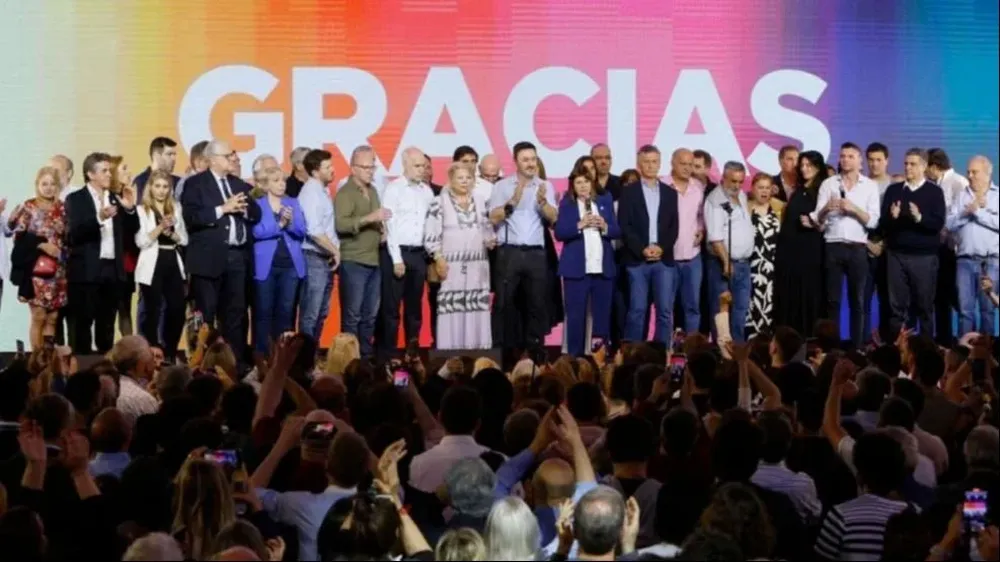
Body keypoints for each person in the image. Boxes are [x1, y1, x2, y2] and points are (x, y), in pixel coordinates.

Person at [181, 140, 261, 362]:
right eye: (228, 155)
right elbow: (191, 218)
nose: (233, 158)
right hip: (208, 260)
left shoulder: (239, 184)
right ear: (212, 159)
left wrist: (244, 210)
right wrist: (223, 209)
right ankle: (203, 363)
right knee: (206, 316)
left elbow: (256, 214)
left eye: (233, 154)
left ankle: (234, 363)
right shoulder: (195, 185)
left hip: (237, 258)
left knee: (235, 314)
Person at [65, 152, 139, 355]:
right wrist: (99, 218)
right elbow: (74, 234)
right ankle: (82, 369)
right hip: (87, 270)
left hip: (112, 270)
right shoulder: (76, 199)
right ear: (90, 174)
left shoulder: (116, 198)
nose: (109, 174)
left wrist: (131, 209)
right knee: (82, 323)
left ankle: (105, 367)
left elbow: (131, 233)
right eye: (104, 171)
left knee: (107, 324)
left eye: (109, 170)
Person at [488, 141, 558, 352]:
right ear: (515, 162)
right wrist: (512, 202)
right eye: (525, 160)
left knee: (537, 305)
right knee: (503, 304)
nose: (530, 164)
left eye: (533, 159)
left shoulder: (545, 186)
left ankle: (535, 355)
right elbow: (493, 217)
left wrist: (544, 204)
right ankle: (501, 353)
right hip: (509, 252)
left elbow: (554, 218)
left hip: (536, 253)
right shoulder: (502, 186)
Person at [811, 142, 881, 349]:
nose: (845, 160)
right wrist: (825, 209)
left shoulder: (869, 185)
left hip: (858, 247)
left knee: (857, 300)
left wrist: (853, 209)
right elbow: (817, 219)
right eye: (842, 156)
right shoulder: (829, 184)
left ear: (860, 160)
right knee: (832, 300)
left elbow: (873, 221)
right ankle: (832, 347)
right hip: (833, 245)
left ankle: (857, 347)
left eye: (850, 156)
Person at [425, 163, 495, 350]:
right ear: (450, 180)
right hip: (451, 265)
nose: (465, 181)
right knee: (452, 307)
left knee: (476, 305)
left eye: (468, 177)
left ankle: (477, 350)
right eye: (460, 178)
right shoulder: (438, 202)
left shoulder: (481, 201)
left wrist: (491, 239)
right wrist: (438, 257)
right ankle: (450, 351)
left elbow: (486, 228)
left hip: (478, 264)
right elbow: (431, 234)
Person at [881, 148, 947, 337]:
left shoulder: (935, 192)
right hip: (896, 255)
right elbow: (883, 224)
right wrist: (892, 217)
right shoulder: (894, 190)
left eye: (913, 164)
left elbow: (937, 223)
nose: (908, 167)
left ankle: (926, 349)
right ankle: (898, 350)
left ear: (924, 166)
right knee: (896, 307)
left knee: (924, 306)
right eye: (906, 163)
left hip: (924, 257)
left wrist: (919, 218)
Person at [617, 144, 680, 345]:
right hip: (637, 260)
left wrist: (661, 248)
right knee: (637, 309)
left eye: (654, 161)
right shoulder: (628, 192)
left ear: (660, 163)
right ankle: (633, 354)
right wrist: (642, 249)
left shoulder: (670, 193)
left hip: (664, 259)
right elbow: (624, 226)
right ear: (639, 164)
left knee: (664, 311)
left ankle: (662, 353)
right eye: (646, 162)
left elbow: (673, 227)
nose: (651, 166)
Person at [554, 169, 620, 356]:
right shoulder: (567, 204)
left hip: (603, 269)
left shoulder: (604, 201)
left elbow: (616, 230)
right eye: (578, 183)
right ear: (573, 187)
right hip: (576, 271)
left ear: (592, 184)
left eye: (586, 182)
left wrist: (605, 226)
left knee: (602, 317)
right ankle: (575, 358)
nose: (583, 186)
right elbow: (560, 233)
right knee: (576, 317)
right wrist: (579, 225)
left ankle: (600, 358)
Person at [378, 147, 434, 357]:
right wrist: (396, 259)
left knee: (414, 308)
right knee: (391, 309)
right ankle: (389, 354)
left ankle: (412, 352)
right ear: (405, 165)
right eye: (417, 166)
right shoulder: (394, 189)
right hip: (396, 253)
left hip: (418, 254)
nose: (421, 170)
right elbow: (389, 224)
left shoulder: (426, 191)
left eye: (423, 166)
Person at [335, 145, 389, 358]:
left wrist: (381, 230)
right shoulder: (345, 193)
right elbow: (341, 225)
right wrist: (370, 218)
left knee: (370, 316)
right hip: (354, 261)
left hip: (374, 260)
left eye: (372, 166)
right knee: (352, 316)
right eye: (365, 167)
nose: (370, 171)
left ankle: (365, 358)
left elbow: (376, 218)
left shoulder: (374, 190)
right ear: (353, 168)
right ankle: (349, 360)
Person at [6, 167, 68, 349]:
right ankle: (37, 361)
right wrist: (41, 245)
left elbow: (68, 236)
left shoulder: (63, 208)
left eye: (52, 184)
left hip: (58, 270)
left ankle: (48, 362)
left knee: (53, 317)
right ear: (37, 185)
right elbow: (19, 238)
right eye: (44, 184)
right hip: (37, 270)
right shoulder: (29, 207)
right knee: (39, 315)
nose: (48, 188)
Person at [773, 150, 829, 337]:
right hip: (789, 250)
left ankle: (808, 334)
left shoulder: (823, 189)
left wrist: (814, 223)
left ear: (818, 167)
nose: (804, 169)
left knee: (809, 292)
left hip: (810, 250)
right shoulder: (799, 188)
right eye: (802, 165)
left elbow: (827, 219)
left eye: (809, 166)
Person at [251, 167, 307, 353]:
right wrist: (280, 224)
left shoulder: (293, 203)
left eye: (283, 180)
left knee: (285, 314)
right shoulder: (258, 204)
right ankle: (262, 357)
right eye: (276, 180)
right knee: (263, 313)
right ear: (266, 185)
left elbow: (301, 230)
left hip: (290, 266)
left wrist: (289, 223)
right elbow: (257, 232)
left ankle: (282, 358)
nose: (282, 184)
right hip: (265, 266)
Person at [134, 170, 188, 362]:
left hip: (171, 258)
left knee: (177, 308)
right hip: (151, 261)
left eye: (165, 187)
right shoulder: (142, 210)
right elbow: (141, 241)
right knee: (151, 308)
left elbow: (183, 239)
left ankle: (170, 350)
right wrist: (159, 228)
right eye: (157, 186)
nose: (161, 191)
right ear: (150, 187)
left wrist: (172, 232)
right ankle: (149, 350)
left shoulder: (175, 207)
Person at [947, 155, 999, 336]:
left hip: (990, 262)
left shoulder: (997, 196)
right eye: (968, 172)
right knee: (965, 311)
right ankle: (964, 353)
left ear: (987, 173)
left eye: (974, 172)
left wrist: (978, 212)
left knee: (988, 311)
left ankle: (990, 357)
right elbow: (950, 224)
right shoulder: (961, 196)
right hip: (964, 261)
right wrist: (965, 212)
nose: (970, 175)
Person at [705, 161, 755, 343]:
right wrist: (726, 262)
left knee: (741, 310)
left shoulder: (740, 195)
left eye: (741, 182)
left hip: (743, 264)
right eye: (733, 181)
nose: (737, 186)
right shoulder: (715, 201)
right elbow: (715, 238)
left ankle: (738, 354)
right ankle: (722, 355)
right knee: (721, 312)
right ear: (723, 178)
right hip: (723, 265)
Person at [297, 149, 340, 341]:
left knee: (321, 312)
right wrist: (335, 251)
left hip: (323, 259)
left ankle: (311, 358)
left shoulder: (322, 191)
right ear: (315, 171)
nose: (333, 170)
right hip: (313, 258)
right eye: (327, 167)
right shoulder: (311, 192)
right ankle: (303, 361)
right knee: (311, 314)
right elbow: (314, 231)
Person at [746, 172, 783, 338]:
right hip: (750, 268)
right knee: (750, 307)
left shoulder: (780, 209)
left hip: (773, 269)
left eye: (767, 188)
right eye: (760, 187)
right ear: (753, 189)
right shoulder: (745, 209)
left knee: (772, 307)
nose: (764, 191)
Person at [110, 155, 138, 337]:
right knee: (110, 311)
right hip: (112, 263)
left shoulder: (127, 196)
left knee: (125, 309)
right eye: (124, 168)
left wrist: (131, 208)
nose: (129, 173)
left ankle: (129, 353)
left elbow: (134, 229)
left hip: (128, 262)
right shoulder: (108, 198)